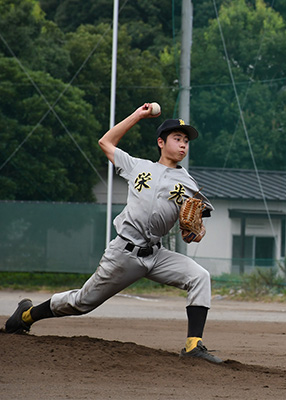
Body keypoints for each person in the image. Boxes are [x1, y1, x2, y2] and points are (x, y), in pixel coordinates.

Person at [4, 103, 223, 363]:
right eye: (177, 138)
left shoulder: (188, 184)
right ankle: (26, 315)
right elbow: (105, 142)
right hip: (124, 253)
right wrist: (138, 115)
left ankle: (193, 345)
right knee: (81, 302)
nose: (184, 144)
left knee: (199, 276)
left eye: (186, 140)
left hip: (156, 255)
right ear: (161, 143)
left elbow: (197, 224)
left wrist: (196, 233)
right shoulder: (137, 167)